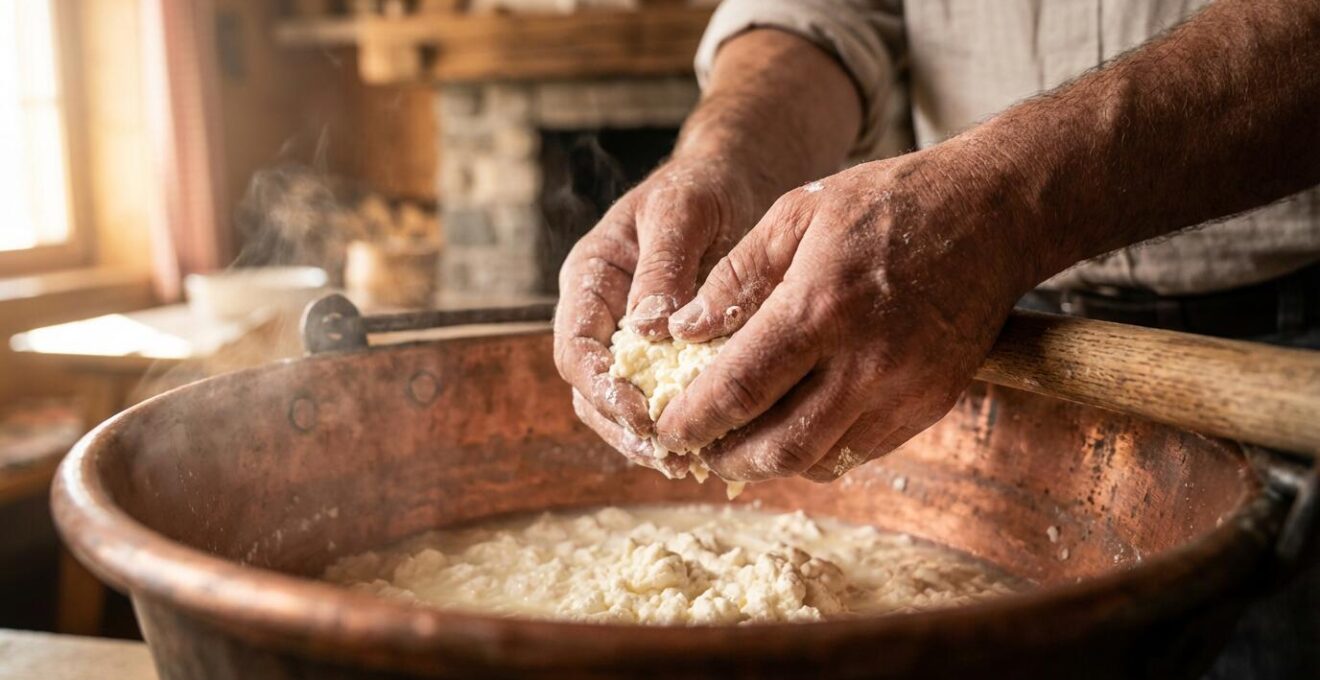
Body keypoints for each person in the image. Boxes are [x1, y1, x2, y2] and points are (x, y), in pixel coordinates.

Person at [554, 1, 1319, 676]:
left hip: (1282, 347)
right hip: (959, 319)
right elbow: (829, 11)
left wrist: (1003, 203)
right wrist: (727, 157)